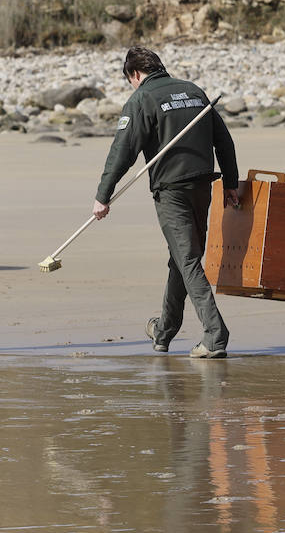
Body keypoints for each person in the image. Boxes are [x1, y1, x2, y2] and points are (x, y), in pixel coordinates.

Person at [92, 47, 240, 358]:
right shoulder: (194, 91)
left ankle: (215, 334)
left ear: (134, 74)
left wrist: (102, 196)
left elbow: (122, 153)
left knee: (187, 260)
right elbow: (224, 141)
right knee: (181, 257)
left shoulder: (141, 99)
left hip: (171, 191)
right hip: (202, 185)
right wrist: (229, 184)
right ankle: (164, 330)